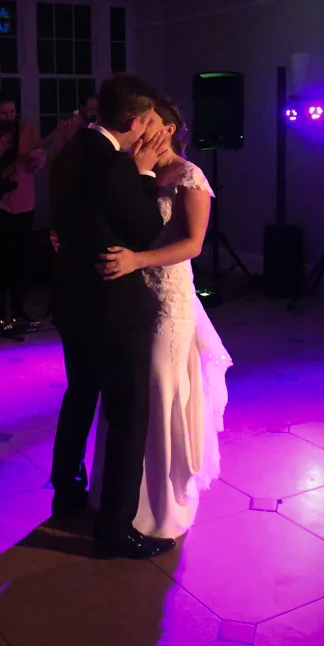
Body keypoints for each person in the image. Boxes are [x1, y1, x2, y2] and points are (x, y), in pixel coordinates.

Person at [49, 73, 176, 560]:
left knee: (80, 394)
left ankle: (66, 492)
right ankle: (115, 529)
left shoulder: (71, 151)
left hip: (70, 299)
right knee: (127, 413)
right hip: (109, 306)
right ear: (132, 120)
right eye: (146, 120)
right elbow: (145, 229)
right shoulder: (113, 163)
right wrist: (143, 173)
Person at [95, 97, 231, 539]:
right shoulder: (139, 172)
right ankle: (120, 500)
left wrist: (137, 261)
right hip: (134, 300)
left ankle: (160, 508)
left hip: (170, 302)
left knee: (161, 391)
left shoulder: (190, 177)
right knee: (131, 395)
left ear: (168, 129)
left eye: (148, 122)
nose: (138, 128)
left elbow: (192, 244)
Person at [0, 90, 45, 322]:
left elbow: (37, 163)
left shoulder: (27, 129)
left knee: (20, 260)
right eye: (4, 113)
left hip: (23, 201)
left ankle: (19, 308)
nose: (9, 116)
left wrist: (37, 158)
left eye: (12, 111)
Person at [43, 93, 99, 162]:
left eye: (96, 110)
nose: (94, 113)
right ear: (82, 108)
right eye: (90, 109)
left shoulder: (101, 126)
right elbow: (52, 151)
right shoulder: (69, 126)